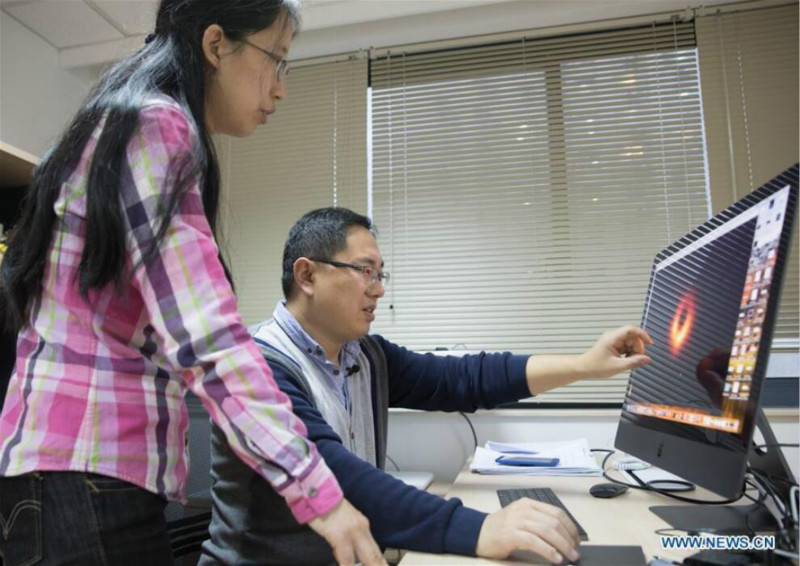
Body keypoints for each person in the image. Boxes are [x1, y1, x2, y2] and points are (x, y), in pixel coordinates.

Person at [0, 3, 386, 566]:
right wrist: (320, 496)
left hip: (75, 473)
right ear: (215, 44)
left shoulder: (129, 121)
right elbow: (206, 337)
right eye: (276, 60)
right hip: (84, 472)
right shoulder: (157, 125)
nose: (281, 88)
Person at [200, 207, 654, 566]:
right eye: (365, 271)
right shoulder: (257, 364)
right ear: (307, 275)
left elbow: (463, 379)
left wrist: (583, 366)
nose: (378, 290)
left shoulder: (366, 356)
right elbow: (334, 477)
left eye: (381, 274)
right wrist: (481, 530)